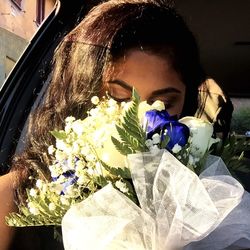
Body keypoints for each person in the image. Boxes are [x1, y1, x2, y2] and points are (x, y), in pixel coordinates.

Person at [0, 0, 233, 249]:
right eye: (117, 99)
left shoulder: (203, 199)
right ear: (80, 93)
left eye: (164, 102)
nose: (138, 120)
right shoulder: (12, 197)